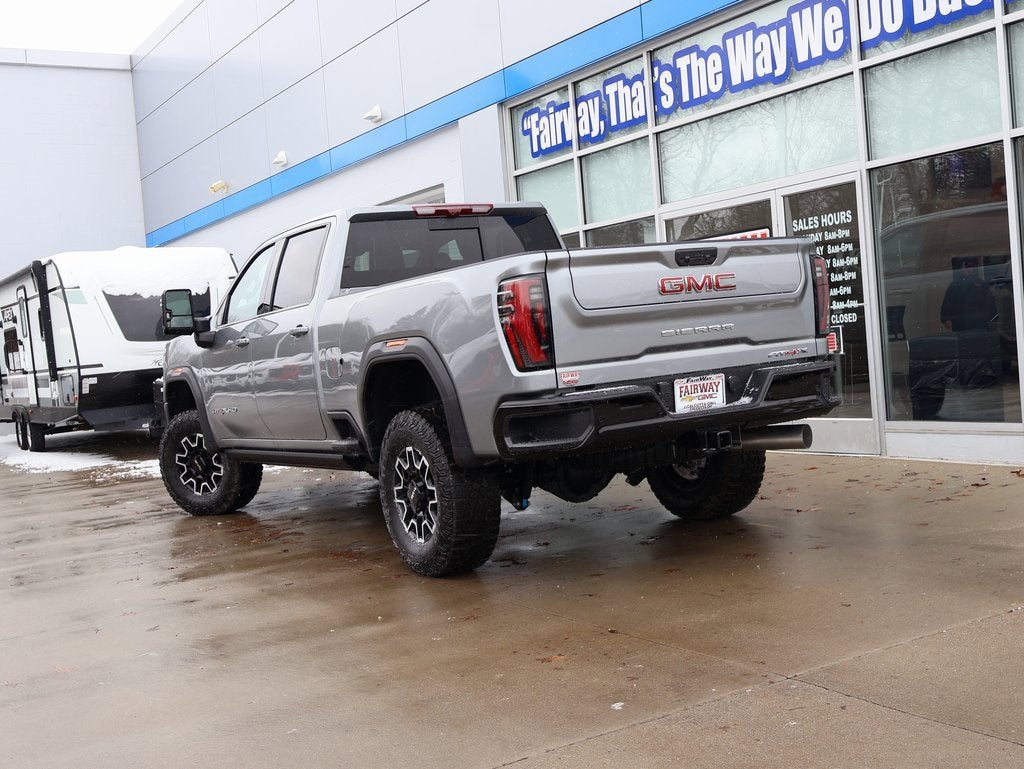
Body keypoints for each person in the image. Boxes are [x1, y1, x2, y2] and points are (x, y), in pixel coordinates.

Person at [940, 257, 996, 332]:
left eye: (972, 267)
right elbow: (947, 303)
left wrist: (993, 319)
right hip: (961, 325)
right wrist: (946, 319)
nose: (970, 269)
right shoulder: (955, 285)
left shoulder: (981, 284)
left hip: (979, 325)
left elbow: (990, 303)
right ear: (963, 269)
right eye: (967, 267)